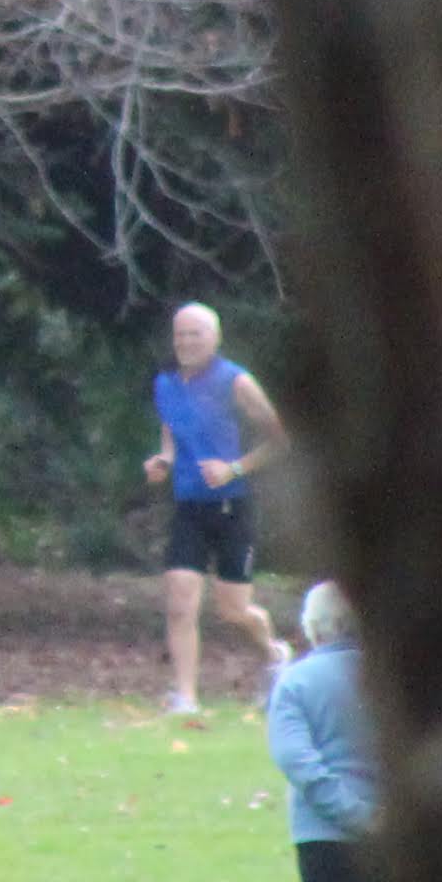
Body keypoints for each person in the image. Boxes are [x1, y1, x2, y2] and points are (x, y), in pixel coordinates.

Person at [143, 301, 292, 713]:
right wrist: (165, 459)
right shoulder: (166, 384)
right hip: (189, 507)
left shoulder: (237, 382)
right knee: (179, 601)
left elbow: (280, 440)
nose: (187, 342)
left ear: (215, 338)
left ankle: (275, 653)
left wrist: (233, 469)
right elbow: (171, 426)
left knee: (234, 610)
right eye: (181, 335)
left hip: (232, 507)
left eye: (196, 334)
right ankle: (185, 697)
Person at [270, 581, 392, 882]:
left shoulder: (297, 682)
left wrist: (346, 811)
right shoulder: (392, 679)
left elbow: (297, 760)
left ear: (314, 626)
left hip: (323, 838)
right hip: (391, 832)